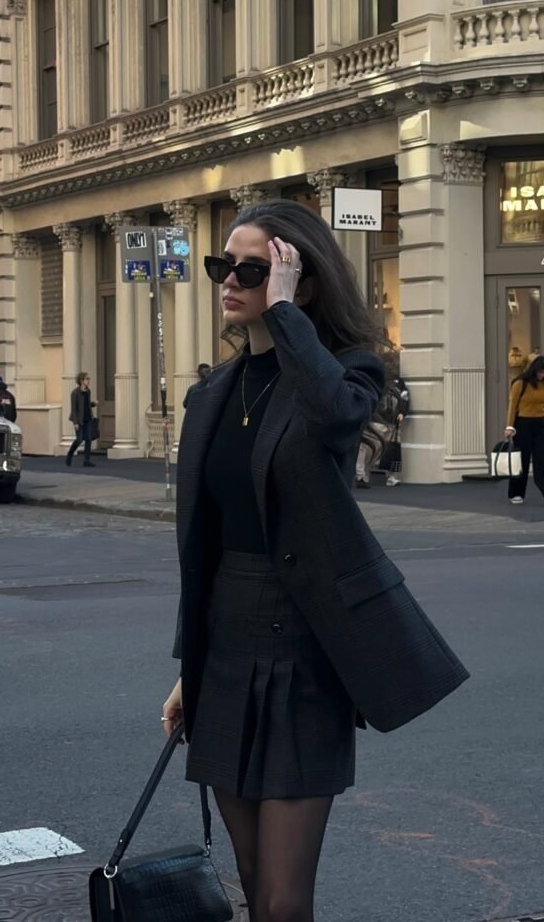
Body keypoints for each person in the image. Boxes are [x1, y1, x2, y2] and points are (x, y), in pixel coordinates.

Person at [161, 199, 468, 922]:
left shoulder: (348, 373)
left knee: (282, 897)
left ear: (297, 280)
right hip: (226, 648)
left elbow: (333, 420)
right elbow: (201, 550)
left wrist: (286, 314)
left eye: (252, 269)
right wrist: (188, 668)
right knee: (247, 875)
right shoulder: (211, 395)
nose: (230, 281)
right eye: (222, 267)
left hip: (303, 650)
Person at [505, 355, 544, 508]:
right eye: (539, 372)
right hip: (523, 424)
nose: (541, 375)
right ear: (533, 370)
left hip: (542, 424)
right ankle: (516, 493)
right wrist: (509, 426)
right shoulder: (520, 383)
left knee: (543, 461)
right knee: (521, 461)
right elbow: (512, 406)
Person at [356, 370, 409, 488]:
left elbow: (404, 398)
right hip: (375, 421)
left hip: (387, 422)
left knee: (374, 450)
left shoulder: (396, 383)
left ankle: (363, 476)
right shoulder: (375, 380)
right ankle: (361, 475)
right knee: (366, 449)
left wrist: (402, 412)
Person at [66, 372, 97, 467]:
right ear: (81, 380)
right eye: (87, 379)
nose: (89, 381)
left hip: (88, 418)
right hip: (79, 419)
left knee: (88, 439)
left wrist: (93, 404)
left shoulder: (88, 391)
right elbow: (74, 409)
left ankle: (86, 460)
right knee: (79, 440)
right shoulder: (75, 393)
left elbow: (86, 405)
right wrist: (75, 422)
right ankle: (69, 454)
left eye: (89, 379)